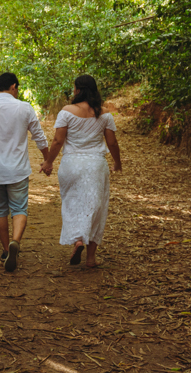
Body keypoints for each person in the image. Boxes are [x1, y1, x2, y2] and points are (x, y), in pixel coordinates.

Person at [0, 72, 50, 272]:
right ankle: (16, 241)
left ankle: (6, 250)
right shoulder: (25, 108)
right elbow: (39, 137)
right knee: (20, 209)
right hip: (18, 171)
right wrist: (48, 160)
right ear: (13, 87)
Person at [40, 74, 121, 268]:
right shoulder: (104, 114)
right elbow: (111, 142)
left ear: (77, 89)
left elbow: (58, 141)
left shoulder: (66, 112)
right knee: (96, 208)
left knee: (72, 203)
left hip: (71, 165)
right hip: (96, 166)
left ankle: (77, 239)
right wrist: (117, 163)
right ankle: (91, 258)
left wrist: (48, 162)